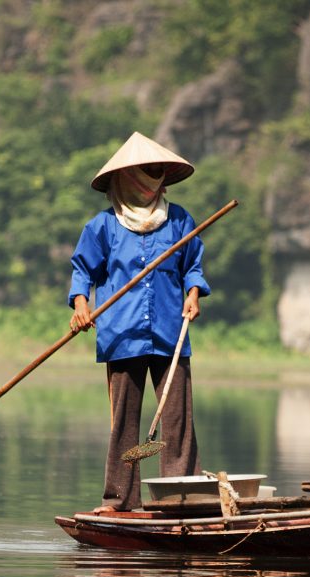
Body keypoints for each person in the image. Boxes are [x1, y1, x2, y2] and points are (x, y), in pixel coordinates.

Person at [68, 131, 211, 513]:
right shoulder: (103, 227)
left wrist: (193, 294)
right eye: (147, 172)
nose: (154, 179)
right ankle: (119, 500)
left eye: (157, 172)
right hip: (121, 334)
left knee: (177, 420)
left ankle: (182, 496)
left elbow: (192, 266)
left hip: (170, 332)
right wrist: (80, 304)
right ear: (126, 178)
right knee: (124, 424)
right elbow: (83, 271)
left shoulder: (179, 220)